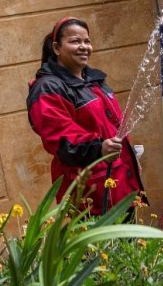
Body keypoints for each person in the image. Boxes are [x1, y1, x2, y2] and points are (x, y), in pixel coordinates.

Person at [27, 16, 145, 215]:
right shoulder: (48, 88)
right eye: (75, 41)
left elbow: (113, 126)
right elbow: (60, 140)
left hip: (120, 182)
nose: (84, 47)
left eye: (87, 41)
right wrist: (99, 148)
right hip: (90, 192)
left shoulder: (95, 81)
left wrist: (130, 157)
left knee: (129, 245)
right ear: (56, 48)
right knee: (102, 246)